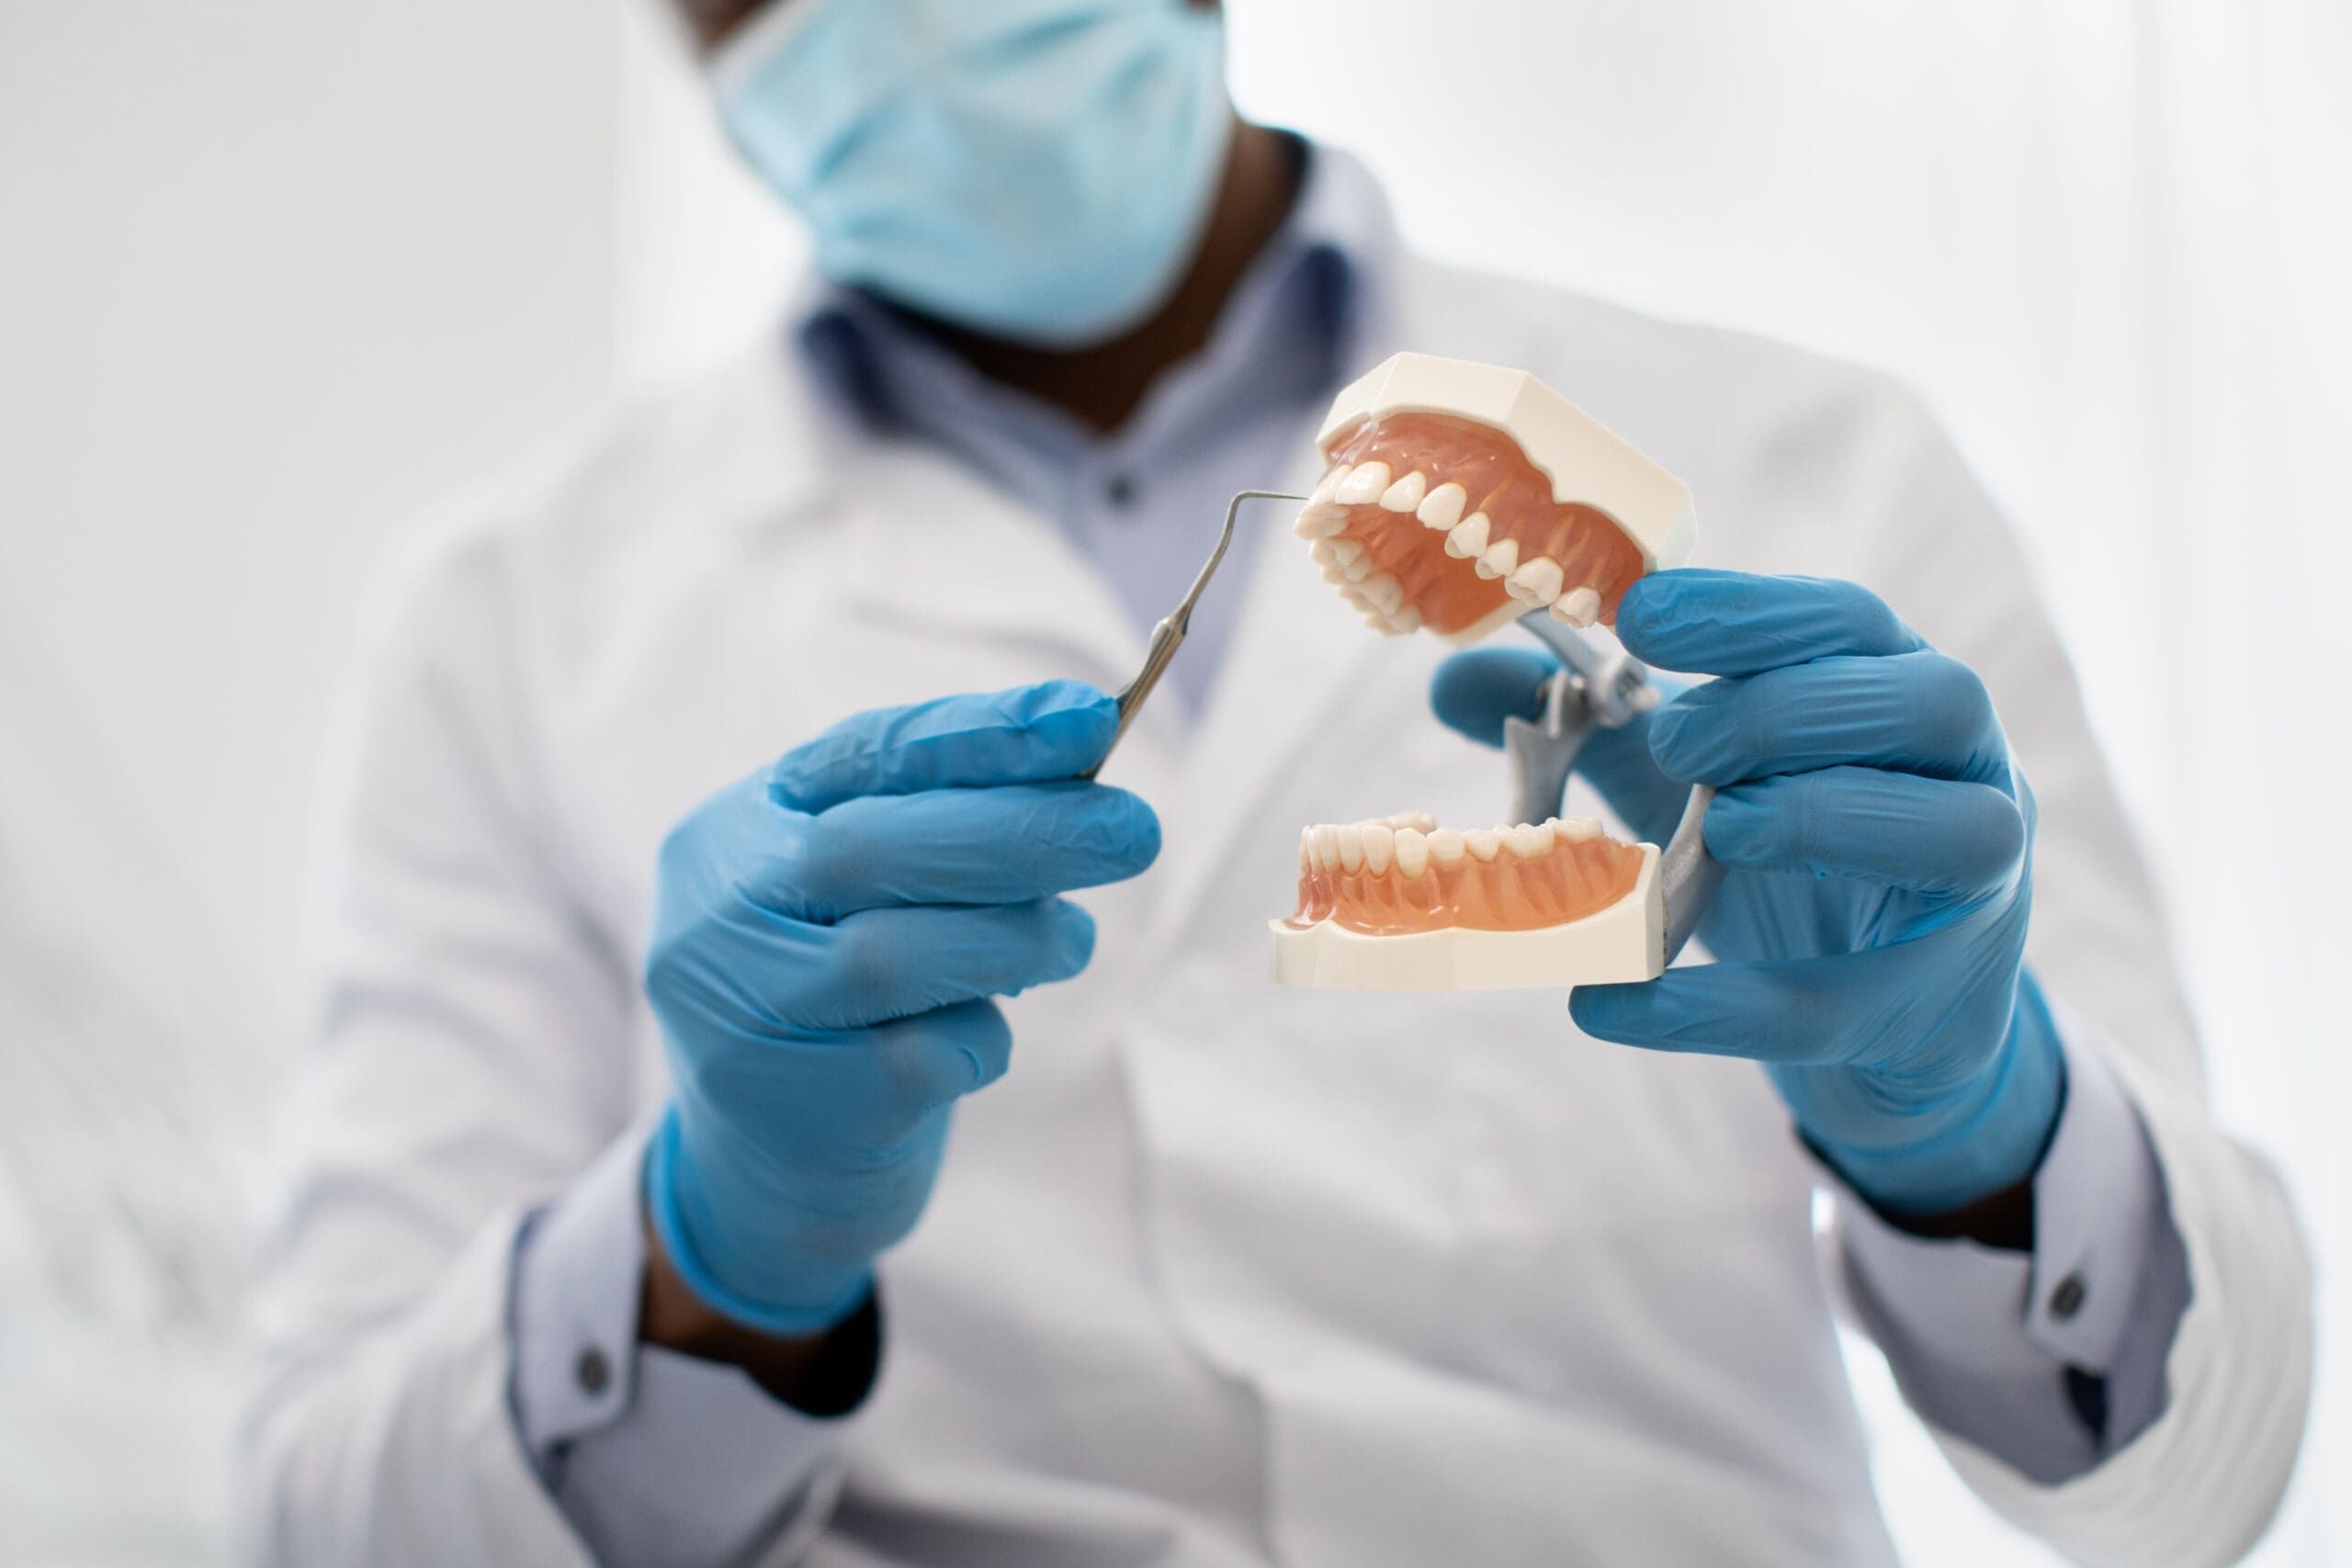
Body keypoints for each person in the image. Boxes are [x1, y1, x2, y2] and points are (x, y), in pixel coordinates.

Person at [236, 2, 2312, 1563]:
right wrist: (707, 1252)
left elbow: (2202, 1470)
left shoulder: (1813, 466)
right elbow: (324, 1515)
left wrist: (1978, 1122)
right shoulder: (510, 616)